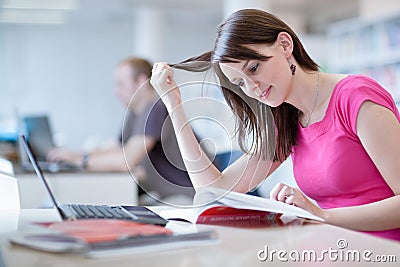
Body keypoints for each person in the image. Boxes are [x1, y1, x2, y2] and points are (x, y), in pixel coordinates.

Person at [150, 9, 400, 241]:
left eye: (254, 68)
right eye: (240, 83)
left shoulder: (355, 97)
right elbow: (214, 191)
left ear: (284, 44)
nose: (252, 88)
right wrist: (173, 104)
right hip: (334, 248)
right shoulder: (288, 119)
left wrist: (321, 216)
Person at [47, 57, 194, 204]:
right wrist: (73, 155)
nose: (116, 91)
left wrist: (78, 159)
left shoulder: (156, 108)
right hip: (165, 194)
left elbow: (126, 161)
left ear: (141, 81)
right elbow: (118, 148)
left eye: (121, 84)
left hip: (186, 196)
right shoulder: (134, 112)